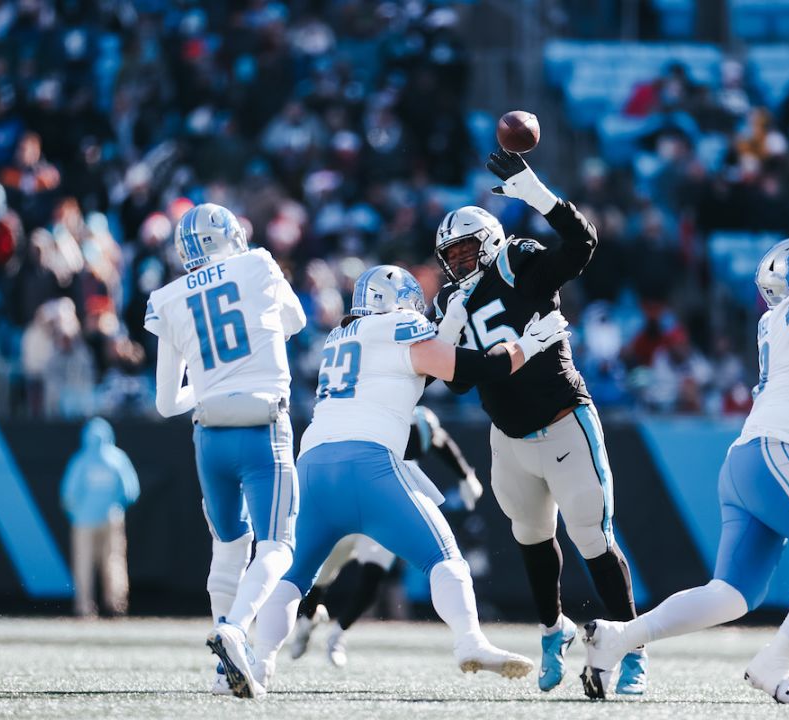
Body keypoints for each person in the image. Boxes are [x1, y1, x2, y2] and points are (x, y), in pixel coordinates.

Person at [582, 237, 789, 704]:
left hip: (752, 461)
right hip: (778, 454)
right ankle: (776, 660)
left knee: (731, 596)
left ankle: (617, 639)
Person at [251, 266, 569, 696]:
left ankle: (259, 661)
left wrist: (450, 324)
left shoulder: (339, 337)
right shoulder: (404, 326)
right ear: (401, 302)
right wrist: (528, 345)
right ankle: (468, 640)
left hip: (312, 466)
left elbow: (413, 364)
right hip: (369, 464)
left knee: (295, 576)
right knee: (445, 558)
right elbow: (467, 368)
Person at [432, 148, 644, 695]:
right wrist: (468, 331)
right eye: (448, 256)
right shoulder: (450, 302)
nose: (456, 264)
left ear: (488, 244)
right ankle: (553, 631)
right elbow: (454, 379)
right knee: (531, 539)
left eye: (463, 251)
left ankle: (632, 649)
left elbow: (583, 245)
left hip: (565, 421)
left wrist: (537, 194)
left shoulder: (516, 261)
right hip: (508, 439)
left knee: (592, 540)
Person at [144, 203, 308, 698]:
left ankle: (224, 673)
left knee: (229, 547)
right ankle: (235, 630)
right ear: (232, 236)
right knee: (278, 545)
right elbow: (296, 321)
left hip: (209, 432)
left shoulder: (166, 298)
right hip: (263, 424)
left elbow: (167, 401)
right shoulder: (257, 263)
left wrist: (215, 386)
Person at [287, 405, 483, 666]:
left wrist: (465, 475)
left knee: (373, 576)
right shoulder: (369, 414)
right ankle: (307, 618)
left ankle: (338, 634)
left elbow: (437, 437)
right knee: (321, 575)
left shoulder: (414, 418)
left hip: (384, 506)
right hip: (348, 499)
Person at [60, 418, 141, 618]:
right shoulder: (118, 459)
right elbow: (131, 490)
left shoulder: (80, 460)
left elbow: (68, 495)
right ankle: (116, 605)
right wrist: (116, 507)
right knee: (113, 561)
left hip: (83, 522)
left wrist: (76, 514)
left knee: (83, 563)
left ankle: (84, 607)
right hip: (111, 519)